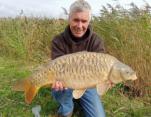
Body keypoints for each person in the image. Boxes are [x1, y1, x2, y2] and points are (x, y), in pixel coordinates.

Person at [51, 0, 106, 117]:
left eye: (84, 21)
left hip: (88, 84)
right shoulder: (58, 40)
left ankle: (81, 99)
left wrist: (106, 80)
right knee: (60, 88)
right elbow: (56, 68)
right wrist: (59, 81)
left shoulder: (96, 41)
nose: (79, 26)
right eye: (76, 20)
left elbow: (102, 71)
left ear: (89, 21)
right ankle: (66, 109)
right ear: (69, 18)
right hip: (65, 82)